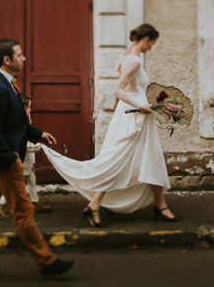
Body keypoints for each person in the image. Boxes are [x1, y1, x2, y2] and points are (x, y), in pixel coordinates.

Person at [42, 23, 182, 227]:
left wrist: (157, 104)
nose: (151, 47)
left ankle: (160, 206)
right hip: (135, 117)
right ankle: (97, 204)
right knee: (122, 161)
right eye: (151, 43)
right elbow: (118, 90)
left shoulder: (125, 57)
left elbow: (133, 92)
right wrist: (141, 106)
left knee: (148, 159)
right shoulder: (133, 61)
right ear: (145, 40)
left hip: (133, 116)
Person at [0, 38, 74, 280]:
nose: (25, 59)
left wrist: (38, 133)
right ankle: (46, 261)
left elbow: (16, 123)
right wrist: (10, 158)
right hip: (3, 161)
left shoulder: (5, 84)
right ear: (7, 60)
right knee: (22, 211)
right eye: (20, 55)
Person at [0, 95, 51, 218]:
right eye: (28, 107)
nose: (30, 110)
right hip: (23, 154)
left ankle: (35, 201)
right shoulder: (18, 119)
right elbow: (22, 136)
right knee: (14, 181)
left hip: (26, 153)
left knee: (31, 177)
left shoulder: (22, 117)